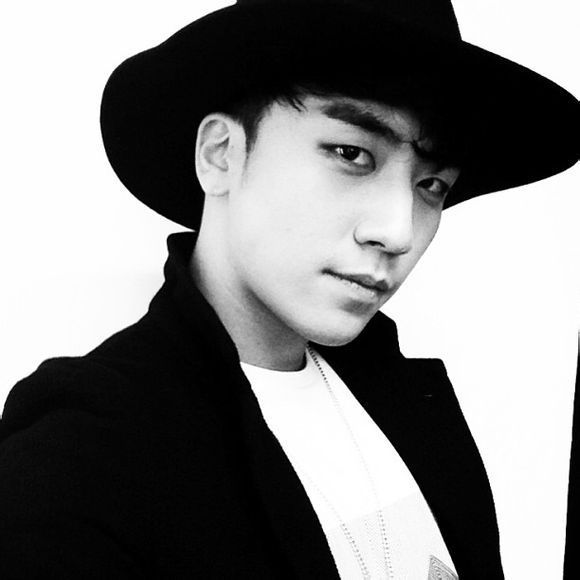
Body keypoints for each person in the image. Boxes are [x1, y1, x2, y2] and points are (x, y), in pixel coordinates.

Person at [0, 0, 577, 578]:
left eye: (431, 185)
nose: (398, 231)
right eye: (352, 154)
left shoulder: (409, 399)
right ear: (221, 154)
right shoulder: (84, 456)